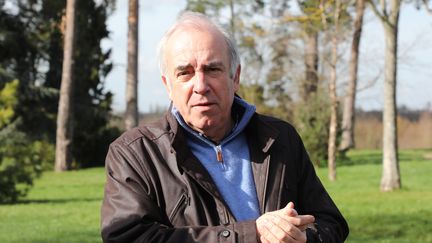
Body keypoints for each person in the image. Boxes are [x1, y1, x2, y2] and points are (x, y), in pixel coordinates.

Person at [101, 11, 349, 243]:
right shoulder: (135, 153)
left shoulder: (280, 138)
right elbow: (128, 237)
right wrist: (250, 234)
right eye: (185, 73)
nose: (200, 85)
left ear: (235, 77)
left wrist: (305, 238)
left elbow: (331, 223)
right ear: (168, 85)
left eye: (212, 69)